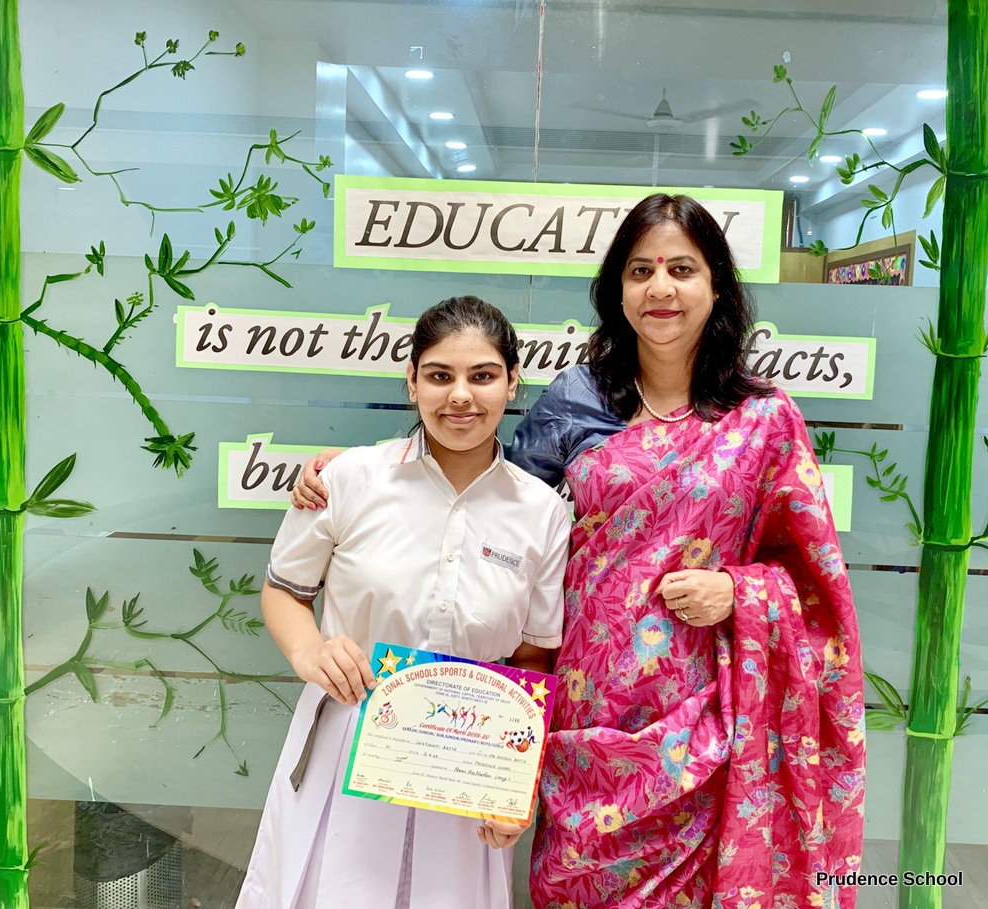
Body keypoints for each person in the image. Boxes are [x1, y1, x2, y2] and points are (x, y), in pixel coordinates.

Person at [292, 195, 866, 909]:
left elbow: (815, 579)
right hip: (581, 706)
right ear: (616, 289)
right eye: (640, 270)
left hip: (703, 723)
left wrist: (740, 591)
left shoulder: (763, 417)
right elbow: (483, 495)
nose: (660, 288)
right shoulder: (578, 396)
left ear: (717, 284)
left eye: (682, 269)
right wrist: (362, 470)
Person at [238, 296, 572, 909]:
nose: (460, 396)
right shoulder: (348, 479)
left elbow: (532, 657)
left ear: (512, 383)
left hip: (468, 758)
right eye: (440, 375)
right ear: (412, 381)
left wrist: (512, 784)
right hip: (349, 739)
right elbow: (285, 590)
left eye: (483, 376)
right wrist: (310, 652)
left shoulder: (542, 512)